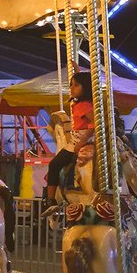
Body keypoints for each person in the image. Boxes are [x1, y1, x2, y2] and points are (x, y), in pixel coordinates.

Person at [45, 70, 94, 203]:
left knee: (54, 164)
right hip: (83, 139)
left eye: (76, 85)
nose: (71, 88)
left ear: (85, 87)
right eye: (71, 85)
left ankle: (50, 199)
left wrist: (81, 142)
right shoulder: (85, 103)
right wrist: (77, 69)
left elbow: (94, 123)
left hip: (79, 140)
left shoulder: (83, 105)